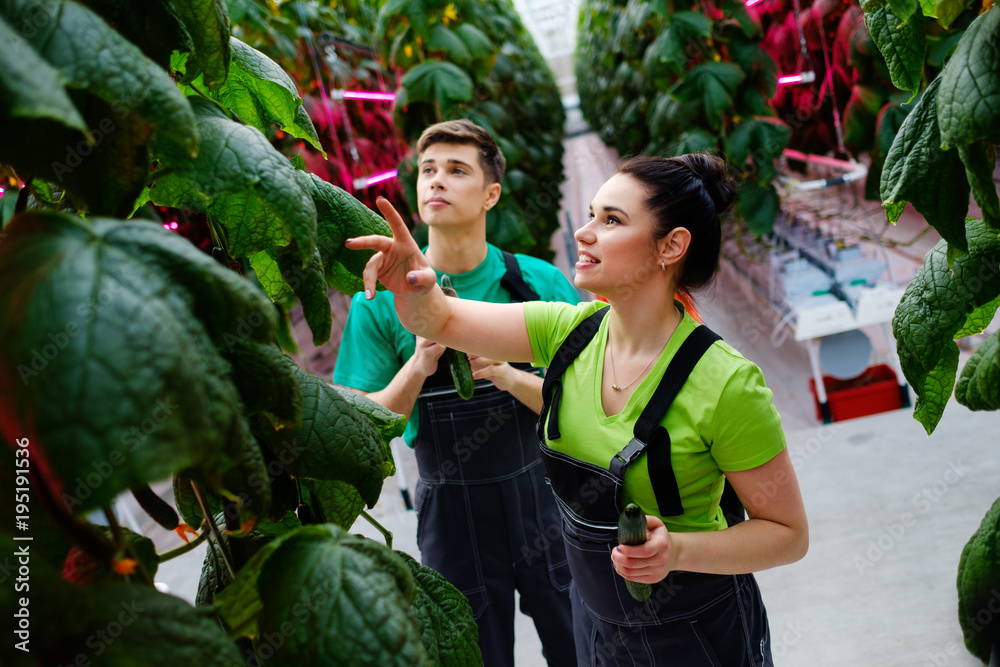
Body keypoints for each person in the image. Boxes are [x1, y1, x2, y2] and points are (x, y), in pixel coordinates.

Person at [346, 152, 809, 666]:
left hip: (694, 634)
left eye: (611, 220)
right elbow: (442, 318)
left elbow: (788, 535)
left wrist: (677, 551)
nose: (584, 233)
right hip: (596, 626)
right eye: (590, 215)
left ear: (671, 246)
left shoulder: (725, 383)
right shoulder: (567, 332)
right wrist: (411, 284)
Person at [334, 120, 580, 666]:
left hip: (545, 498)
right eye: (427, 170)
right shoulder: (380, 301)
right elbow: (358, 422)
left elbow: (597, 402)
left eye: (456, 170)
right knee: (473, 654)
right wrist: (419, 366)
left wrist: (512, 376)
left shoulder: (537, 286)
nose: (436, 181)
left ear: (491, 193)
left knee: (581, 644)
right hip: (453, 513)